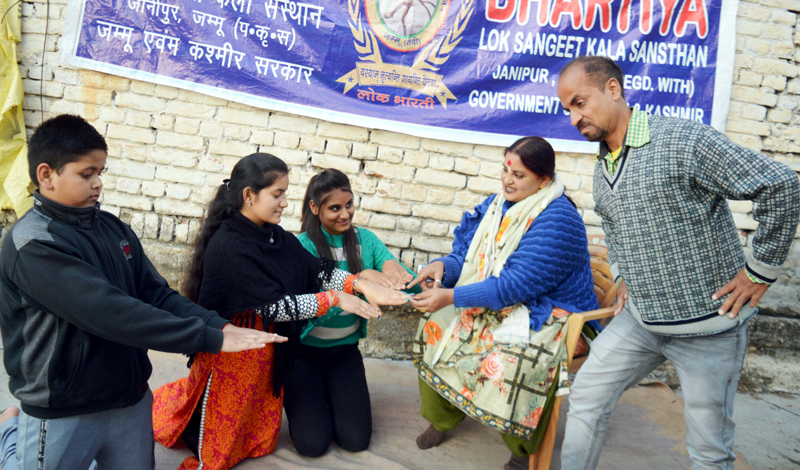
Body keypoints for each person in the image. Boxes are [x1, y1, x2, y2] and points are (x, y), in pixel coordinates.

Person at [556, 56, 800, 470]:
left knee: (708, 449)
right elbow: (615, 230)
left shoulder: (681, 140)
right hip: (641, 321)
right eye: (568, 110)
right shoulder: (605, 165)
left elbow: (782, 184)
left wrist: (760, 269)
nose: (574, 117)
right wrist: (623, 276)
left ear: (613, 89)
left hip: (710, 325)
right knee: (584, 397)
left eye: (580, 102)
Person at [0, 115, 275, 470]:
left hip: (128, 399)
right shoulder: (33, 244)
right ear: (46, 175)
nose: (99, 183)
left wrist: (217, 325)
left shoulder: (113, 229)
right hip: (62, 408)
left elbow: (155, 294)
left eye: (101, 172)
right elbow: (109, 312)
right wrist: (205, 338)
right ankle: (10, 429)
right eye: (87, 174)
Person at [151, 154, 408, 470]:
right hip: (233, 353)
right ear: (249, 195)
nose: (286, 203)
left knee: (258, 439)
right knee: (219, 450)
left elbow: (315, 269)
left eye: (285, 193)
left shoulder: (276, 236)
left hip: (269, 350)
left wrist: (358, 284)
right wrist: (336, 299)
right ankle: (190, 421)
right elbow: (277, 307)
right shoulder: (230, 244)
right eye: (278, 194)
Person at [409, 137, 601, 470]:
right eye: (505, 169)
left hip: (553, 314)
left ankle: (521, 446)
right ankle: (443, 417)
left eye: (519, 175)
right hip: (507, 303)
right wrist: (443, 267)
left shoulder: (558, 219)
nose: (507, 180)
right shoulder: (497, 205)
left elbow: (514, 286)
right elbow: (467, 256)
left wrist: (451, 295)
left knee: (515, 362)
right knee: (437, 324)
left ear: (543, 179)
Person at [284, 169, 420, 457]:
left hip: (345, 353)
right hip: (304, 356)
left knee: (355, 439)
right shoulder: (302, 247)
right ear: (314, 208)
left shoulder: (365, 240)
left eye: (349, 205)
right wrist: (362, 280)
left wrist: (419, 282)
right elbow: (298, 307)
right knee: (312, 445)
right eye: (334, 208)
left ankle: (333, 395)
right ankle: (316, 396)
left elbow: (398, 279)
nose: (345, 214)